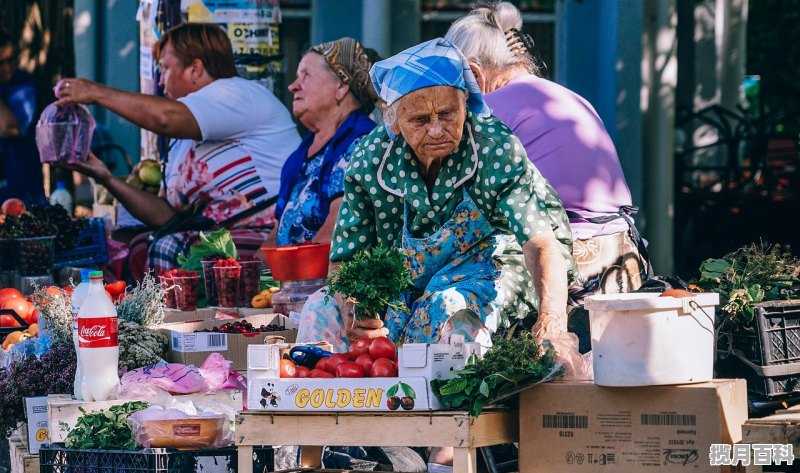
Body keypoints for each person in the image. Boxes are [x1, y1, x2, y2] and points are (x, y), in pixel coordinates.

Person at [299, 37, 582, 366]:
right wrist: (354, 310)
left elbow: (540, 241)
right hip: (405, 280)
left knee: (445, 308)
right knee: (320, 308)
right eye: (419, 120)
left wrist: (551, 322)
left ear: (466, 104)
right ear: (393, 121)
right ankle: (340, 407)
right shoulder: (370, 158)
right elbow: (346, 258)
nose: (436, 130)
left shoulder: (493, 147)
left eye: (447, 114)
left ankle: (437, 413)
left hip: (491, 269)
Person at [445, 1, 650, 349]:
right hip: (625, 256)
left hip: (572, 264)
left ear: (475, 73)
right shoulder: (565, 96)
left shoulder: (491, 111)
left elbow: (458, 204)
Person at [55, 23, 300, 276]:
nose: (161, 81)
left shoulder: (237, 94)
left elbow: (164, 118)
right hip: (213, 237)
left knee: (167, 247)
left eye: (165, 68)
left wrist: (96, 93)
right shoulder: (182, 142)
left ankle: (178, 317)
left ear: (195, 68)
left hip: (271, 236)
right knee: (140, 245)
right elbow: (167, 217)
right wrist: (104, 176)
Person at [262, 37, 377, 248]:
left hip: (321, 278)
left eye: (306, 75)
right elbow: (274, 236)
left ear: (341, 85)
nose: (292, 86)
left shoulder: (362, 144)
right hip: (290, 277)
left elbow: (335, 231)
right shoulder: (301, 155)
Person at [0, 28, 44, 203]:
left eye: (11, 60)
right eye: (0, 63)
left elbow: (9, 129)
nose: (8, 68)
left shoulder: (23, 85)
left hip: (21, 191)